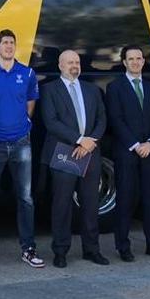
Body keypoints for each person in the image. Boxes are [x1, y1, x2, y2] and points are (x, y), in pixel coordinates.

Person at [0, 29, 44, 268]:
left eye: (12, 43)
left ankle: (28, 248)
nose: (8, 46)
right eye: (4, 43)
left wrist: (25, 121)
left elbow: (31, 99)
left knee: (25, 198)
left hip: (21, 143)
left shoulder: (27, 73)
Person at [40, 50, 109, 268]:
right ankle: (60, 251)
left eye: (77, 62)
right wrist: (79, 140)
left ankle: (92, 249)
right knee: (62, 204)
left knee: (90, 204)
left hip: (90, 152)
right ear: (60, 65)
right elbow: (51, 122)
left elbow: (102, 118)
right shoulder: (49, 89)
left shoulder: (91, 90)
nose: (74, 66)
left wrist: (91, 141)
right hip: (64, 151)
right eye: (70, 62)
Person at [105, 45, 150, 261]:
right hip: (127, 152)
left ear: (143, 61)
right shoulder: (114, 87)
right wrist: (135, 144)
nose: (135, 62)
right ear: (124, 62)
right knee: (125, 200)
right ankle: (123, 246)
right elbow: (116, 120)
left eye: (139, 58)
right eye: (130, 59)